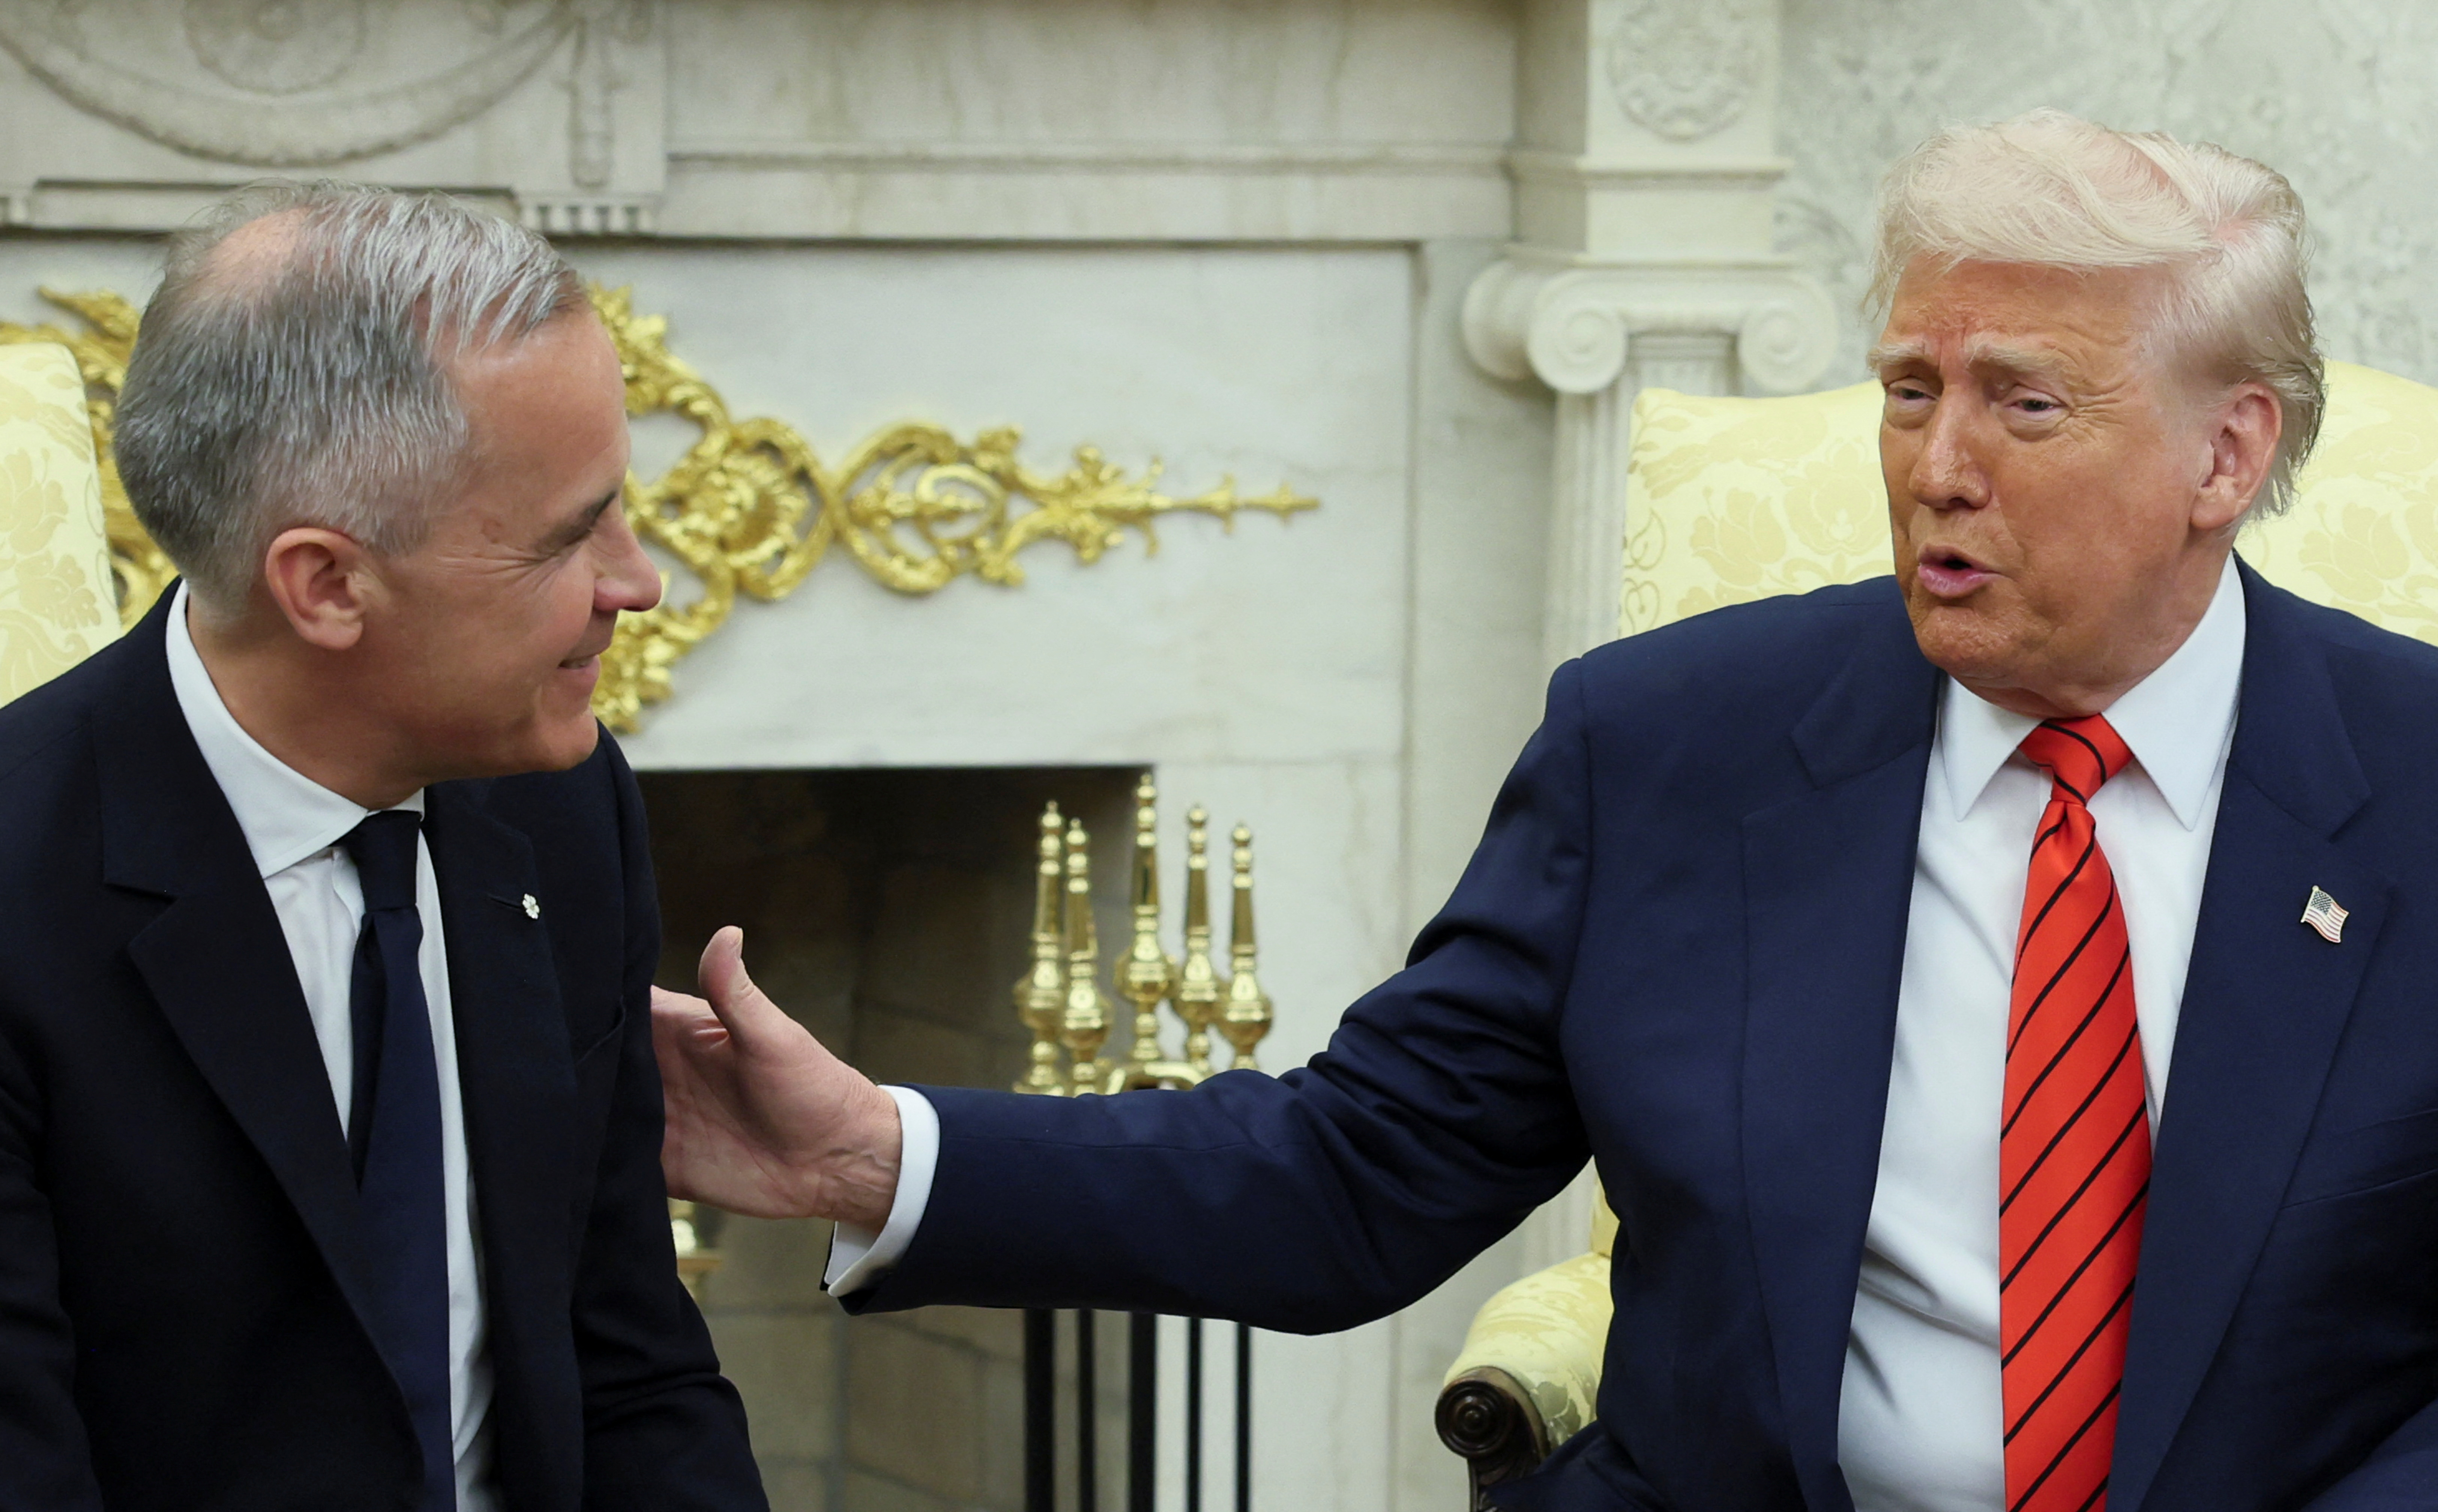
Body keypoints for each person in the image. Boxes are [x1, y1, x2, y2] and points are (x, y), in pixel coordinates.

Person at [650, 112, 2438, 1510]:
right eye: (1908, 391)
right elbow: (1355, 1173)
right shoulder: (1676, 745)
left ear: (2227, 454)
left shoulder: (2415, 786)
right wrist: (877, 1157)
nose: (1934, 466)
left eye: (2021, 404)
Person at [0, 185, 767, 1510]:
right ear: (329, 585)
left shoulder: (560, 806)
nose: (638, 582)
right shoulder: (19, 890)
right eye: (570, 533)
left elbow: (631, 1368)